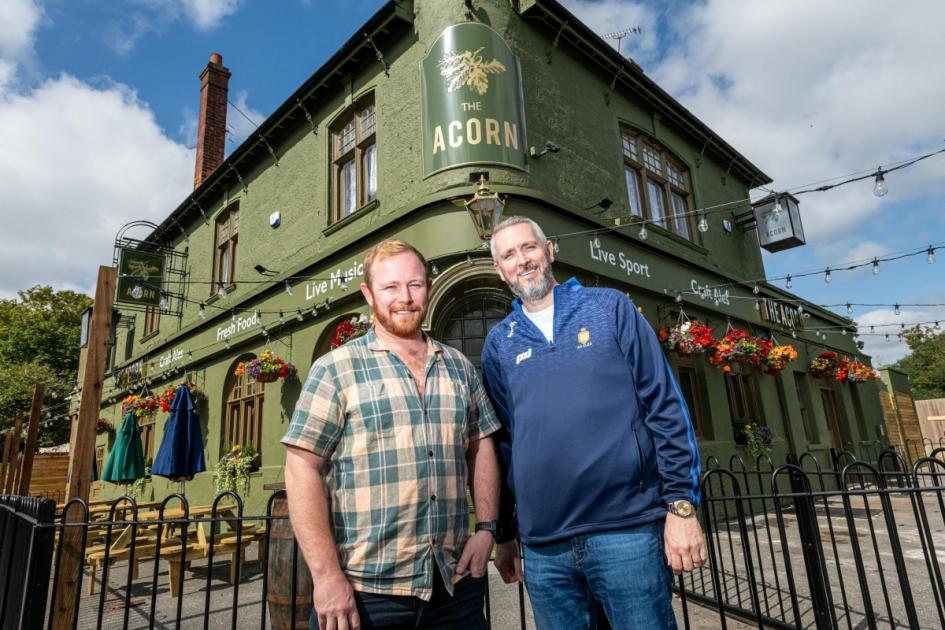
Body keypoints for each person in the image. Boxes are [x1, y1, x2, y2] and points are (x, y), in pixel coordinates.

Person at [481, 216, 707, 630]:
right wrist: (505, 533)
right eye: (509, 255)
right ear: (500, 270)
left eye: (529, 247)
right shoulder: (499, 343)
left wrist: (681, 506)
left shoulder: (611, 307)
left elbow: (665, 406)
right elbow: (505, 443)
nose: (523, 260)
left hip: (626, 533)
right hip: (545, 548)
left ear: (549, 251)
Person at [282, 239, 503, 630]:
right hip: (364, 593)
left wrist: (487, 528)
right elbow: (301, 468)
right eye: (391, 287)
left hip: (453, 586)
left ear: (428, 288)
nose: (405, 297)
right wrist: (326, 576)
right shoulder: (335, 369)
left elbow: (480, 445)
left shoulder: (459, 367)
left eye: (415, 285)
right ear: (368, 293)